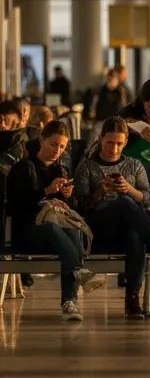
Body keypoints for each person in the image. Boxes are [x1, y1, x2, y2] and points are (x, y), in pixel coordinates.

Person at [6, 120, 104, 322]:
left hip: (56, 232)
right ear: (42, 140)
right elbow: (17, 205)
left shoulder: (61, 170)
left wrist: (68, 196)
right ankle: (79, 271)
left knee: (71, 229)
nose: (56, 151)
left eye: (61, 147)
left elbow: (70, 210)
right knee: (53, 229)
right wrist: (46, 191)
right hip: (27, 230)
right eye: (53, 144)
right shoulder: (24, 167)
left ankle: (70, 302)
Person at [74, 116, 150, 317]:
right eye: (110, 142)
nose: (114, 148)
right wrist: (100, 191)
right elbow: (80, 206)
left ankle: (132, 298)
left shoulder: (134, 165)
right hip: (99, 227)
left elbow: (147, 197)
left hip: (128, 228)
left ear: (125, 142)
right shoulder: (87, 167)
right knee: (124, 202)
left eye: (119, 143)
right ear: (100, 139)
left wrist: (129, 190)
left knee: (135, 234)